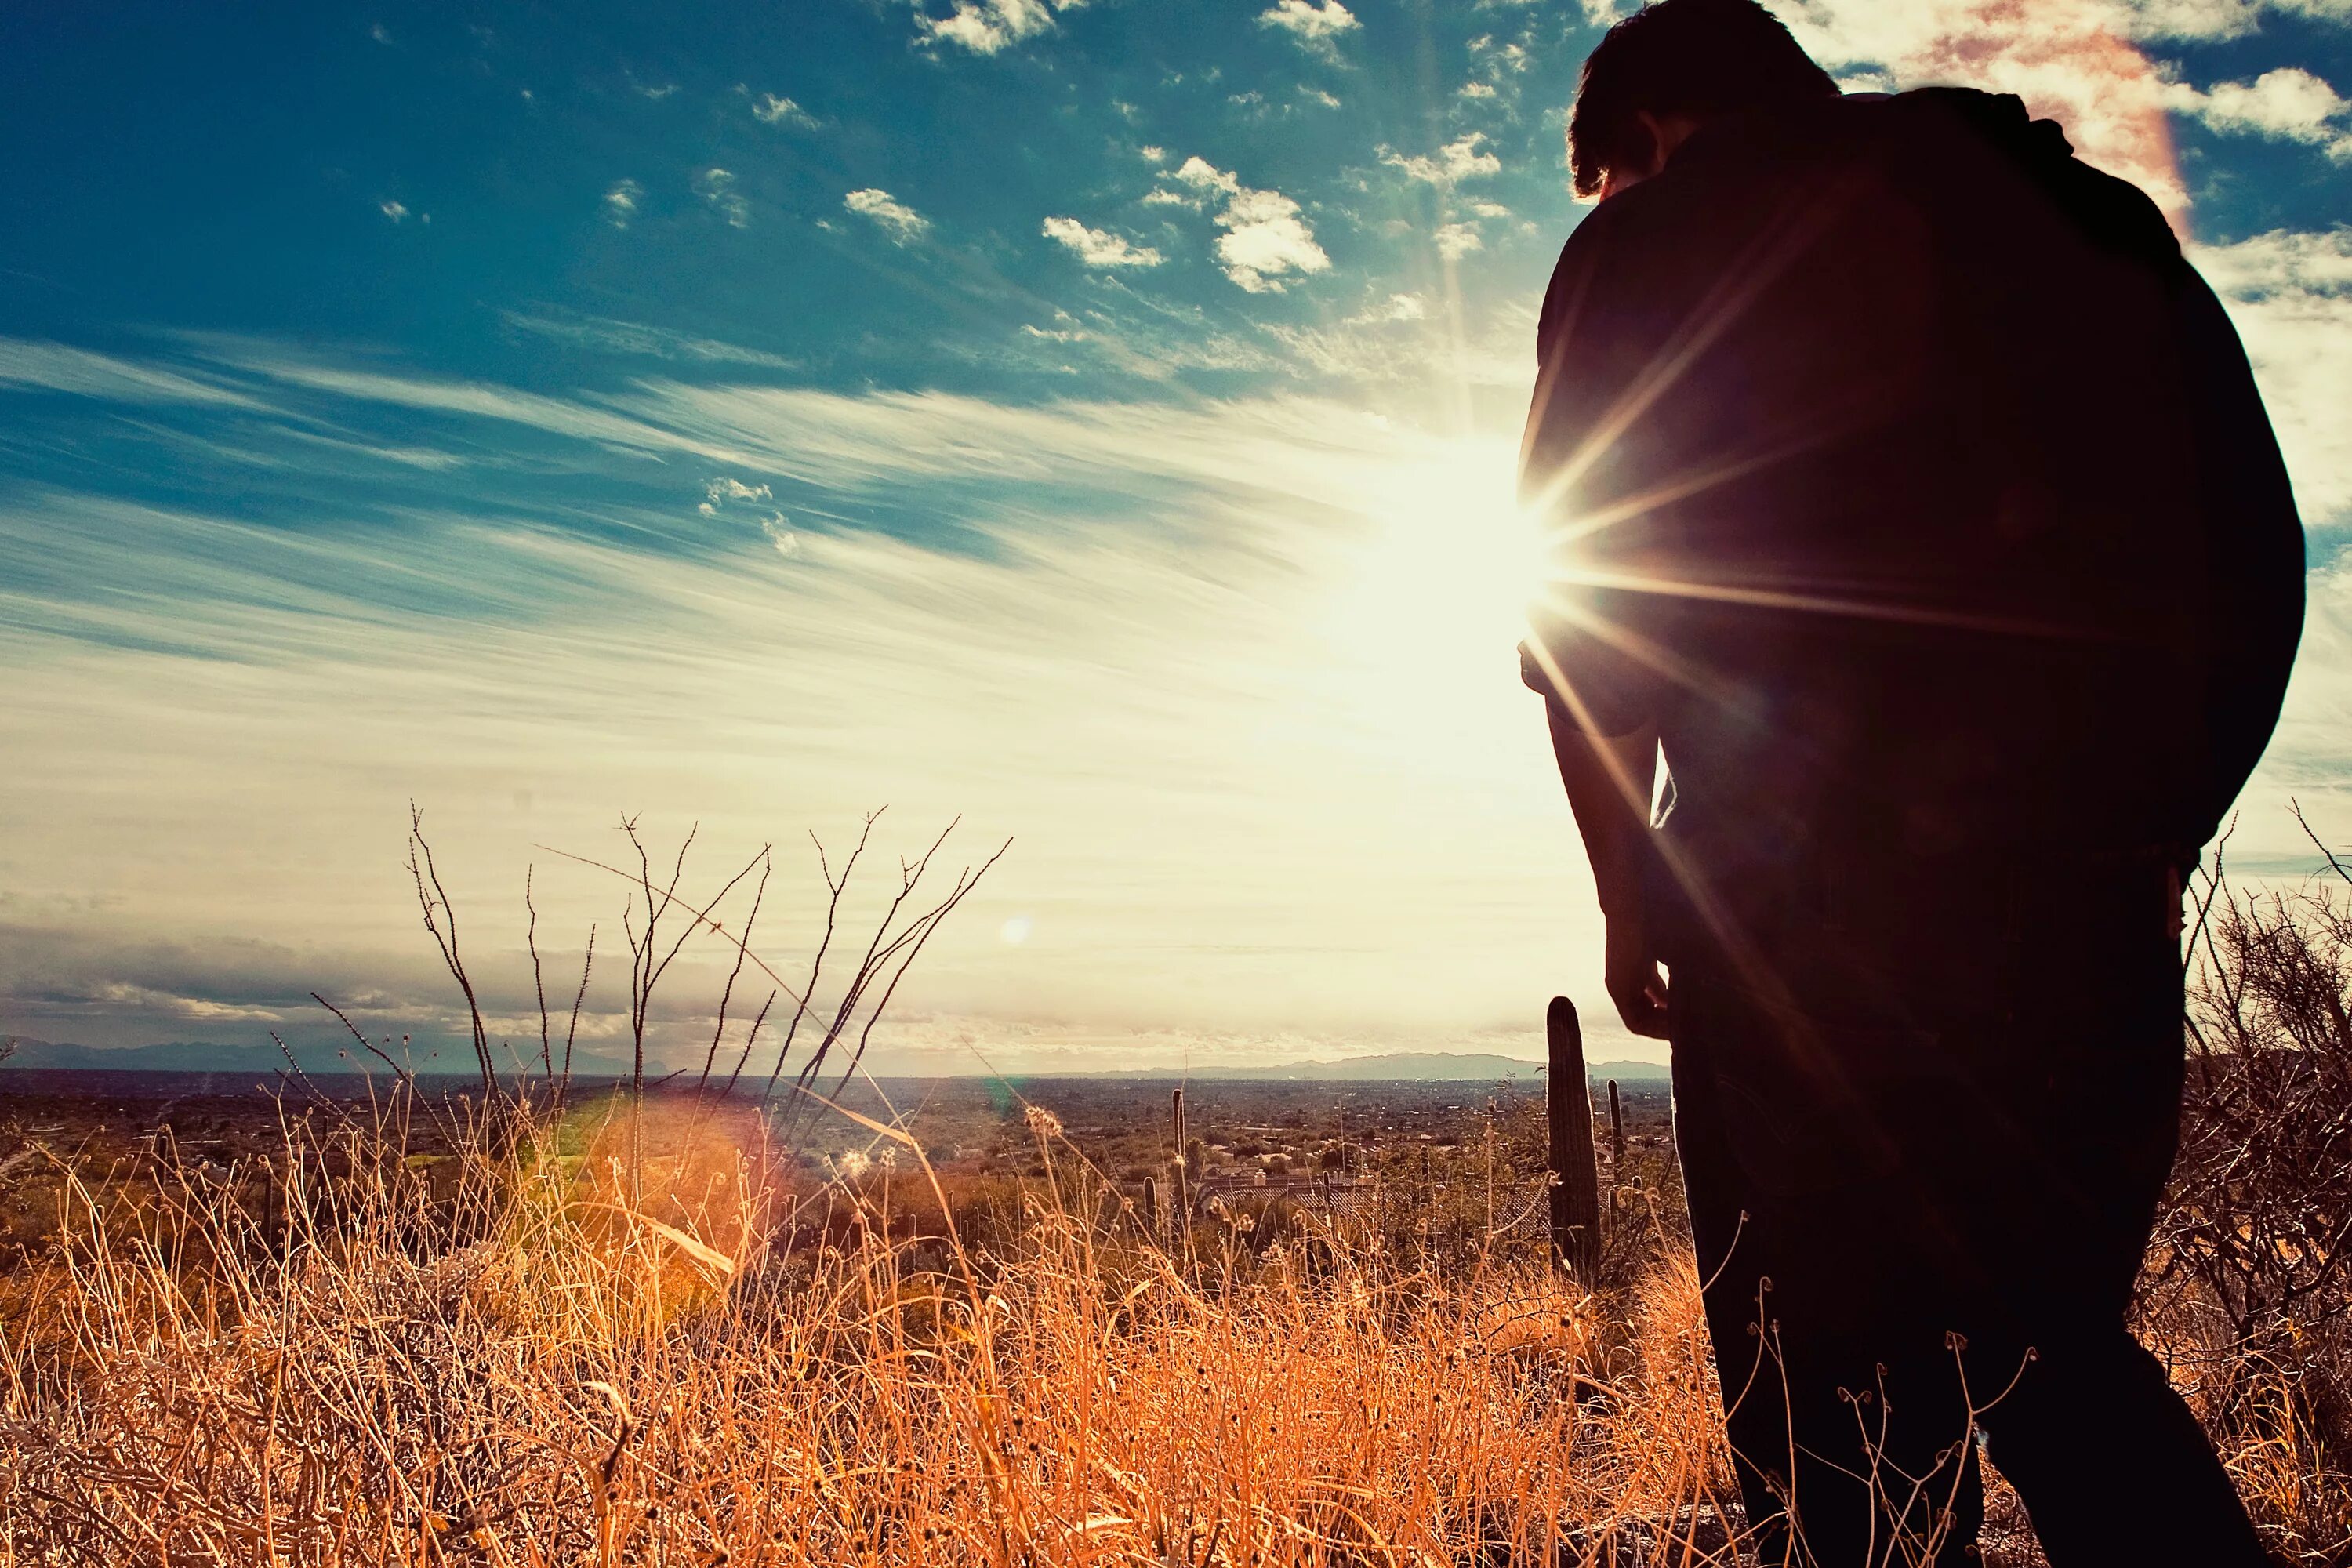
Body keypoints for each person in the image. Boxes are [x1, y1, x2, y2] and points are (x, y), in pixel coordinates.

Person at [1516, 2, 2305, 1563]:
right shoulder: (2085, 223)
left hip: (1780, 916)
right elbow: (2257, 556)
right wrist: (2163, 824)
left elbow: (1587, 610)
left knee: (1841, 1422)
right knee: (2060, 1362)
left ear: (1651, 133)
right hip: (2081, 908)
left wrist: (1631, 890)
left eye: (1611, 180)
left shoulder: (1644, 249)